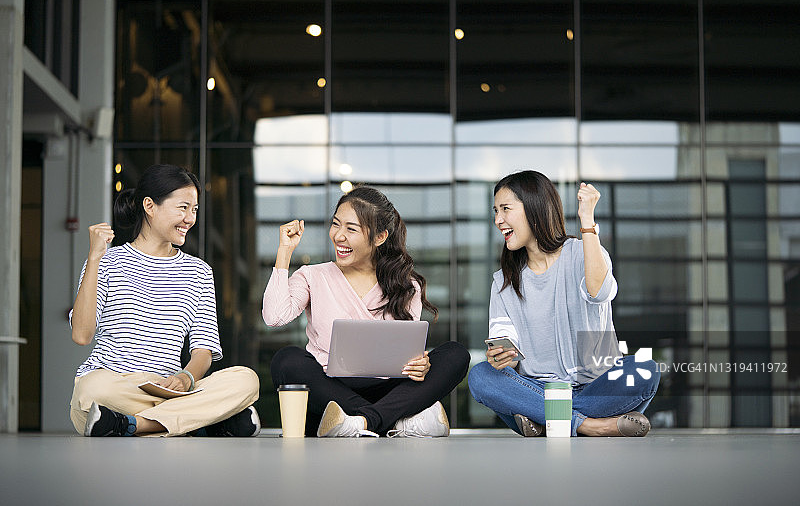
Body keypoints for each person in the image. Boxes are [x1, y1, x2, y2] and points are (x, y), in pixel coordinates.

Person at [69, 164, 261, 437]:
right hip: (115, 387)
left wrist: (186, 378)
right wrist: (94, 258)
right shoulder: (107, 262)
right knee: (91, 390)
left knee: (246, 380)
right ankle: (200, 422)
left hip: (170, 390)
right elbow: (81, 334)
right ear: (150, 206)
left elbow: (203, 351)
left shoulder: (198, 272)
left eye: (194, 210)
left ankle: (133, 424)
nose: (190, 219)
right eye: (183, 207)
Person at [264, 186, 470, 437]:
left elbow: (408, 355)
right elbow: (274, 317)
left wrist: (420, 365)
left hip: (390, 388)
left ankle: (361, 423)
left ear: (380, 237)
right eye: (336, 224)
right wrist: (284, 251)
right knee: (287, 361)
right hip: (331, 391)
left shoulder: (406, 286)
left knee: (455, 355)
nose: (339, 236)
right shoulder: (312, 276)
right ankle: (394, 421)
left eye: (351, 229)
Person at [468, 170, 659, 437]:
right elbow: (506, 344)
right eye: (495, 211)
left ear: (534, 208)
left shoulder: (584, 252)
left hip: (595, 386)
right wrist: (503, 358)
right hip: (538, 389)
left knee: (645, 369)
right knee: (481, 377)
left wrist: (587, 221)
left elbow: (599, 292)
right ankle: (591, 426)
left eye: (505, 209)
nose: (498, 220)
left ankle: (547, 420)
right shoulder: (504, 281)